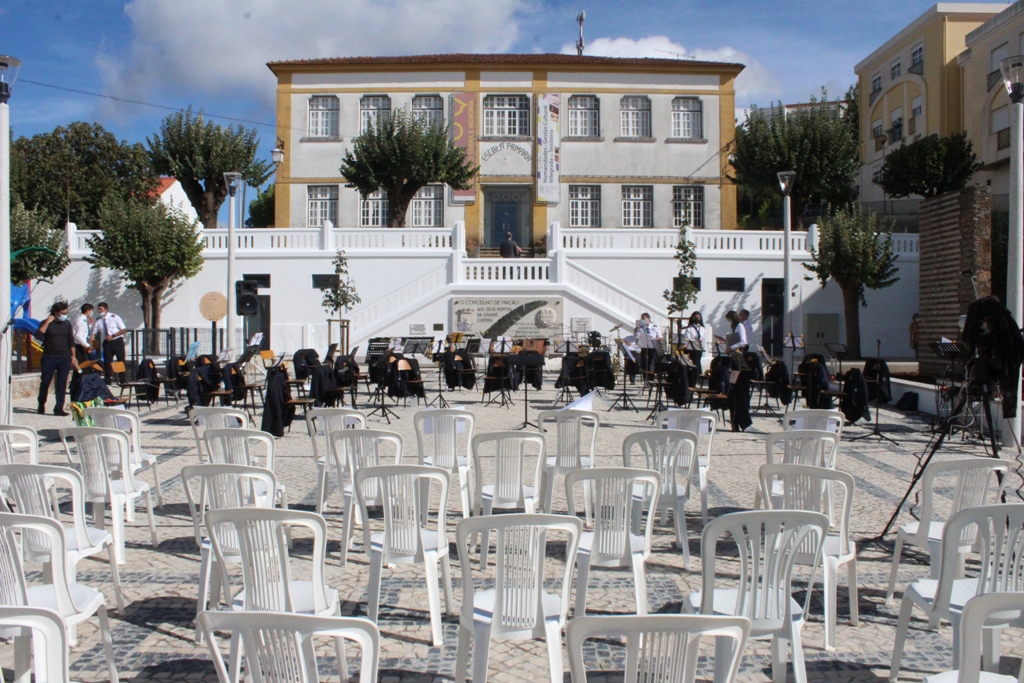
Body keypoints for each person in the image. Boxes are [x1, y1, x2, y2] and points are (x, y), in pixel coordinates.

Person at [35, 301, 79, 416]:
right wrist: (47, 321)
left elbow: (71, 341)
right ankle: (41, 403)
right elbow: (38, 335)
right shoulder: (46, 323)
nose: (65, 315)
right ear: (56, 312)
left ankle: (59, 408)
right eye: (63, 313)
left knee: (62, 382)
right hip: (49, 357)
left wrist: (73, 356)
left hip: (64, 357)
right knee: (45, 381)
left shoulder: (67, 324)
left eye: (66, 313)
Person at [91, 302, 127, 383]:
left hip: (117, 341)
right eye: (98, 309)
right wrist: (91, 343)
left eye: (101, 309)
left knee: (120, 360)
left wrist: (113, 336)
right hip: (107, 342)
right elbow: (93, 332)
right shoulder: (98, 320)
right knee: (107, 361)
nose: (99, 311)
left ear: (106, 309)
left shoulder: (114, 317)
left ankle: (122, 380)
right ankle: (108, 380)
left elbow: (123, 329)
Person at [681, 311, 707, 382]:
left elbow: (703, 337)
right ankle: (692, 377)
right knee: (692, 363)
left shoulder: (702, 328)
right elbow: (687, 338)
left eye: (699, 317)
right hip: (691, 349)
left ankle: (697, 377)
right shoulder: (689, 328)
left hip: (699, 348)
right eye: (696, 317)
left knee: (698, 362)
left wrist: (701, 341)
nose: (697, 319)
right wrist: (694, 340)